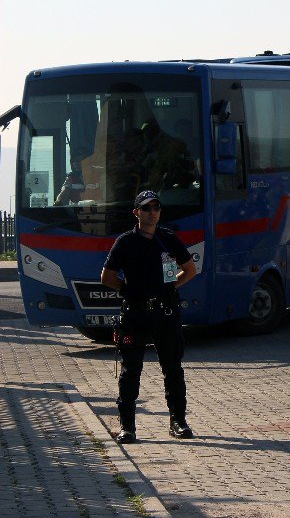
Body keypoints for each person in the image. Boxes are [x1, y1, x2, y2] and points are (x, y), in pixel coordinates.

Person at [100, 190, 198, 444]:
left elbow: (190, 269)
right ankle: (128, 426)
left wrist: (171, 288)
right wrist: (128, 291)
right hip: (135, 314)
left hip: (165, 313)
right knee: (131, 371)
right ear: (137, 213)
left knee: (173, 369)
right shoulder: (125, 242)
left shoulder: (167, 238)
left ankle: (178, 421)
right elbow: (107, 277)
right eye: (146, 208)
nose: (152, 212)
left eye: (156, 207)